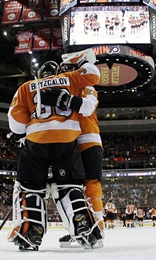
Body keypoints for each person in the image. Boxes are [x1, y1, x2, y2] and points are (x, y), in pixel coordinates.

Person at [6, 49, 100, 251]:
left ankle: (32, 234)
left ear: (41, 74)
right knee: (70, 186)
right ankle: (82, 224)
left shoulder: (27, 86)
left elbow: (15, 120)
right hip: (67, 140)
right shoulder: (69, 78)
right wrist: (84, 60)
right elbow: (94, 75)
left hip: (36, 141)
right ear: (57, 71)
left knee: (31, 188)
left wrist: (22, 134)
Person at [58, 50, 106, 249]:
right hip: (71, 141)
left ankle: (99, 229)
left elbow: (86, 107)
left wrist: (67, 100)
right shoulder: (72, 87)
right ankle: (81, 227)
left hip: (88, 140)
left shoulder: (87, 86)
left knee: (91, 183)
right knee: (74, 186)